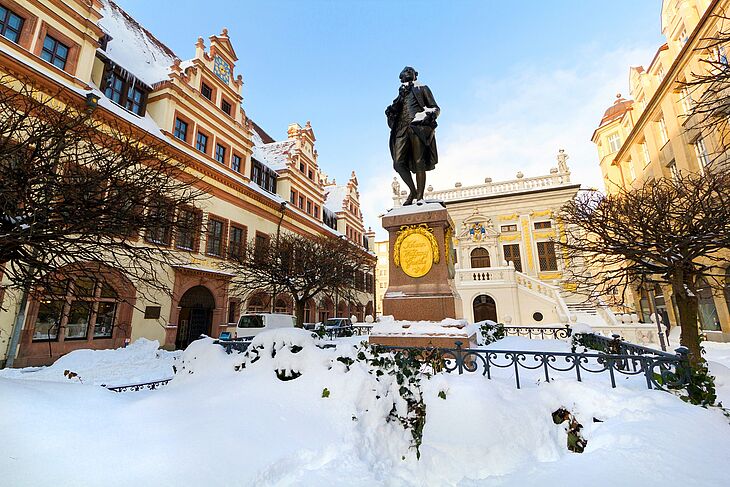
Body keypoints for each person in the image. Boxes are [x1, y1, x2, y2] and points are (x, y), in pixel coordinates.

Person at [385, 66, 440, 205]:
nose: (407, 73)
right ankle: (413, 190)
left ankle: (420, 197)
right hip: (401, 130)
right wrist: (390, 113)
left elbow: (435, 108)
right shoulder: (400, 96)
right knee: (398, 163)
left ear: (415, 75)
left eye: (410, 71)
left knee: (419, 161)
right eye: (405, 71)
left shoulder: (422, 88)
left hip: (417, 127)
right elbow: (393, 117)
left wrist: (429, 115)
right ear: (401, 77)